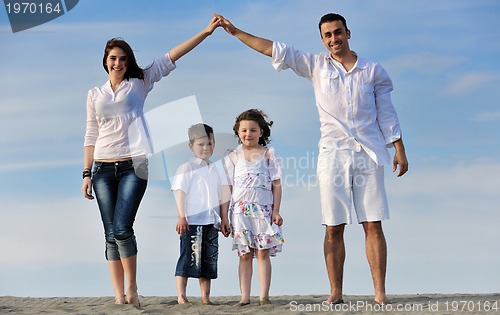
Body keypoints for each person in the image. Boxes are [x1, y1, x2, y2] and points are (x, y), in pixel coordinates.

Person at [216, 13, 408, 304]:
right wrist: (235, 32)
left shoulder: (372, 71)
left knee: (373, 223)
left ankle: (379, 293)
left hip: (369, 153)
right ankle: (336, 292)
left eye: (338, 32)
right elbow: (273, 48)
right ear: (322, 39)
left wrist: (399, 149)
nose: (334, 39)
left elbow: (387, 113)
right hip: (332, 155)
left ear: (348, 32)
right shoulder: (316, 65)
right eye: (328, 35)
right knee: (333, 226)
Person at [81, 17, 222, 307]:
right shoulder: (95, 94)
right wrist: (86, 172)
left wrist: (206, 32)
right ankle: (119, 296)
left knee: (122, 227)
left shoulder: (140, 81)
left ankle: (132, 288)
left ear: (128, 61)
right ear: (105, 62)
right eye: (113, 59)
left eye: (122, 59)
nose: (118, 63)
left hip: (136, 165)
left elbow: (172, 55)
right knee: (110, 234)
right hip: (102, 167)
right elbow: (90, 134)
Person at [223, 109, 285, 306]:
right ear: (238, 132)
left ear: (261, 132)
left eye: (253, 130)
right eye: (244, 130)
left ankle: (264, 296)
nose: (248, 134)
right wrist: (224, 217)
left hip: (263, 210)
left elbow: (277, 183)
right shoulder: (232, 156)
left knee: (263, 252)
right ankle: (245, 297)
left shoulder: (268, 154)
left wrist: (276, 211)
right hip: (240, 212)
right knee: (245, 254)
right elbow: (227, 188)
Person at [171, 123, 230, 305]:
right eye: (201, 144)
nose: (206, 148)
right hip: (192, 221)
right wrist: (182, 216)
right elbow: (180, 191)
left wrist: (224, 218)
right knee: (188, 256)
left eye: (209, 144)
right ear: (191, 146)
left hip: (211, 221)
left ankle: (205, 297)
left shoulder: (218, 168)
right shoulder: (187, 167)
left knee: (208, 259)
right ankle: (182, 296)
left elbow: (223, 195)